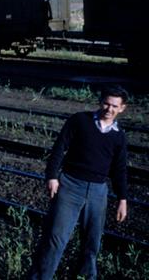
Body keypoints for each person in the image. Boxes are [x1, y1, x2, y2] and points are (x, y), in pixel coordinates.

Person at [29, 85, 129, 279]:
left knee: (91, 245)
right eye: (106, 104)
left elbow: (120, 170)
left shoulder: (119, 136)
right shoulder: (79, 121)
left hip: (98, 192)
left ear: (122, 108)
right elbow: (59, 148)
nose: (109, 109)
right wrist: (52, 176)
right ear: (100, 102)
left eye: (114, 106)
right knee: (55, 240)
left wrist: (122, 199)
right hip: (70, 186)